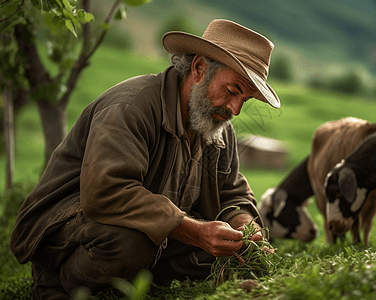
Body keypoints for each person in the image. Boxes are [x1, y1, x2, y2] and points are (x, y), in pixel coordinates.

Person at [10, 19, 281, 299]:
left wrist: (245, 227)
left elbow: (231, 192)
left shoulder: (216, 122)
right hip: (70, 229)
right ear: (199, 69)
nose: (235, 109)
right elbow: (107, 191)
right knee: (132, 242)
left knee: (229, 251)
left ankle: (137, 278)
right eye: (232, 91)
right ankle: (57, 285)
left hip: (158, 238)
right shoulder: (130, 107)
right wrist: (195, 231)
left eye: (244, 100)